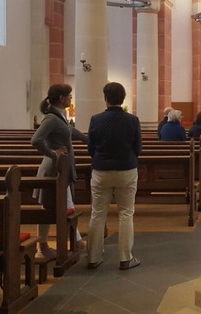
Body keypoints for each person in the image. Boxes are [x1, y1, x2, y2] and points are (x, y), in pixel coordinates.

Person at [86, 82, 142, 271]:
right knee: (126, 213)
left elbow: (91, 148)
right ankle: (126, 258)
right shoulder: (132, 120)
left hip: (101, 170)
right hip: (126, 169)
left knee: (97, 213)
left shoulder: (96, 119)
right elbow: (138, 148)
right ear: (123, 98)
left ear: (105, 98)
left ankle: (93, 257)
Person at [31, 84, 88, 259]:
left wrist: (88, 140)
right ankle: (74, 243)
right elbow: (36, 140)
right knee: (60, 206)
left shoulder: (59, 116)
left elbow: (70, 131)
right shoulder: (51, 118)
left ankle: (44, 247)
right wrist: (53, 153)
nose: (71, 98)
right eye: (69, 95)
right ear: (62, 98)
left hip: (61, 169)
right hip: (54, 170)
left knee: (52, 207)